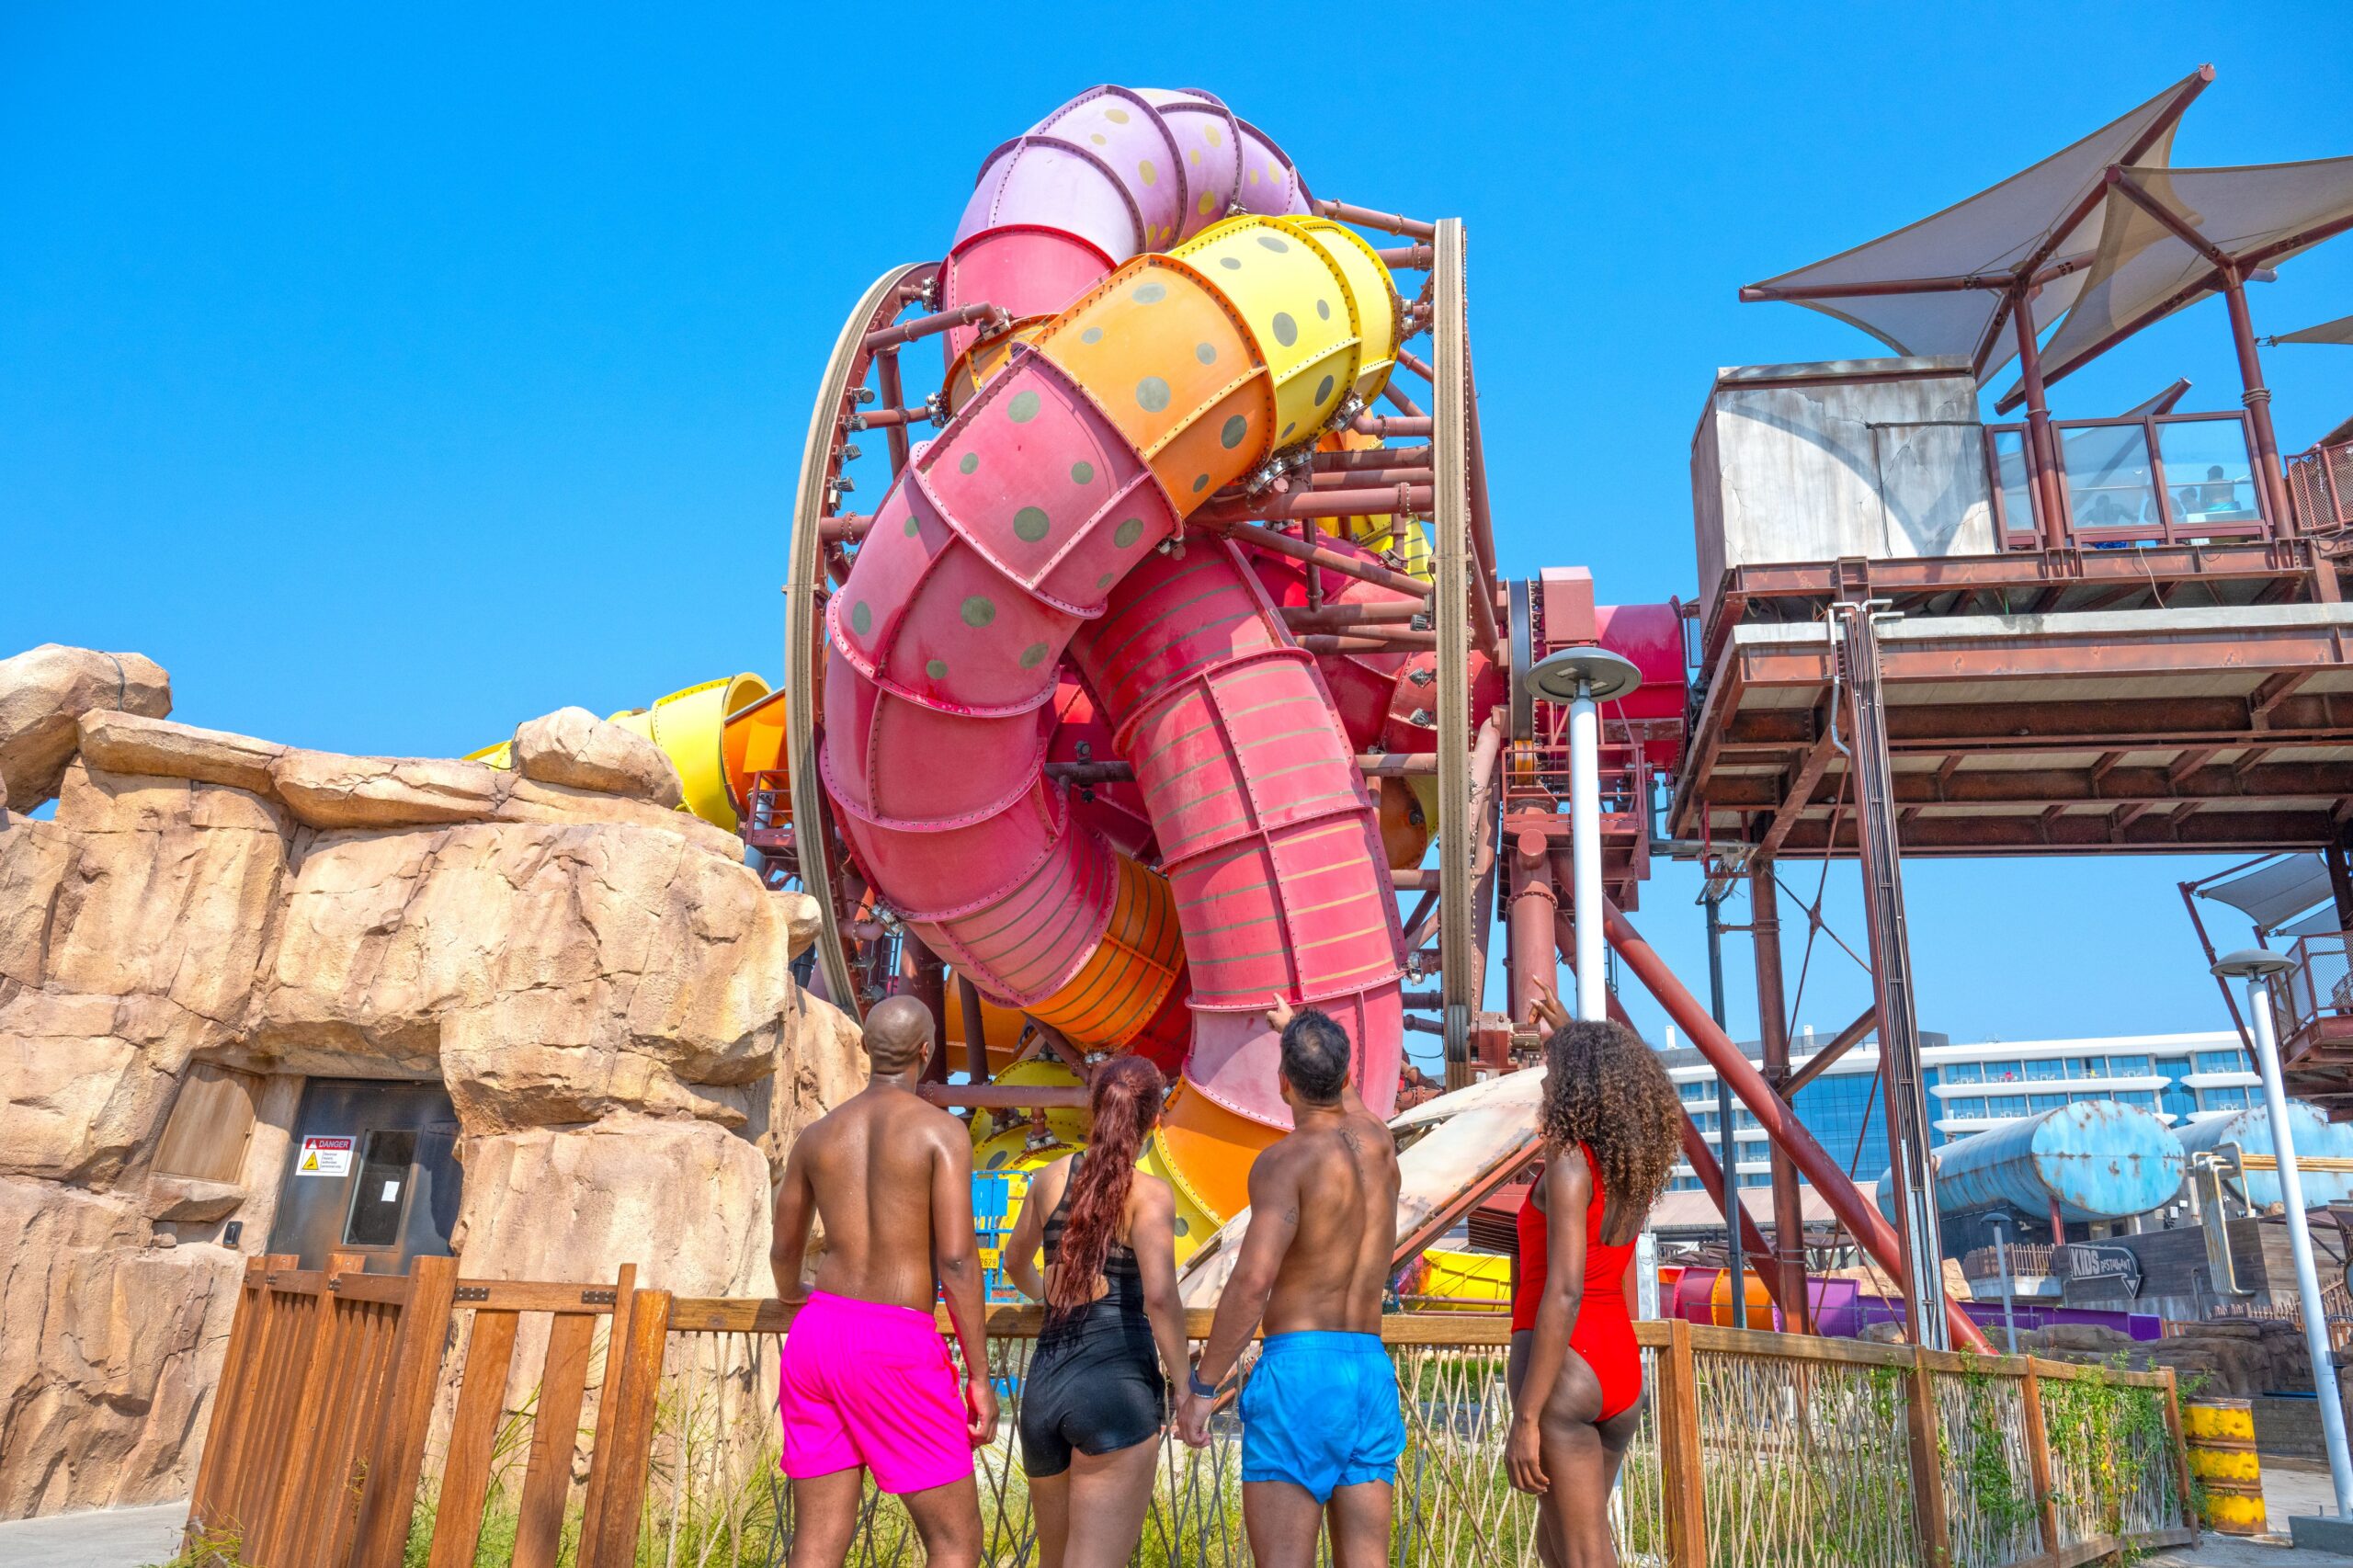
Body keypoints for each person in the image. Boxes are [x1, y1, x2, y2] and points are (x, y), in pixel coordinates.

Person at [767, 995, 996, 1568]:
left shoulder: (818, 1136)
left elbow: (783, 1249)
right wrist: (979, 1376)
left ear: (867, 1050)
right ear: (927, 1051)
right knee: (954, 1543)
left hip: (817, 1334)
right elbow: (959, 1263)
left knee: (817, 1542)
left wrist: (794, 1294)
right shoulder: (942, 1134)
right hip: (894, 1342)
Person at [1176, 1001, 1403, 1568]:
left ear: (1283, 1084)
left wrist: (1204, 1389)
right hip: (1368, 1368)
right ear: (1347, 1075)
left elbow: (1253, 1282)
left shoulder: (1285, 1162)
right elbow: (1345, 1096)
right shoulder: (1380, 1147)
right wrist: (1300, 1026)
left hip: (1301, 1369)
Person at [1506, 980, 1684, 1568]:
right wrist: (1568, 1034)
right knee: (1556, 1550)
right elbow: (1609, 1064)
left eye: (1556, 1070)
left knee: (1583, 1557)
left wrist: (1526, 1418)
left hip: (1565, 1367)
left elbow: (1563, 1290)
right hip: (1617, 1365)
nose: (1545, 1079)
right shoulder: (1628, 1168)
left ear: (1577, 1085)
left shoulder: (1568, 1160)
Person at [1003, 1054, 1192, 1568]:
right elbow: (1159, 1297)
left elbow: (1013, 1261)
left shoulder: (1048, 1179)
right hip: (1115, 1387)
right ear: (1155, 1119)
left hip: (1044, 1385)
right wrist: (1188, 1389)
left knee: (1054, 1561)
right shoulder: (1150, 1195)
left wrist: (1051, 1293)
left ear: (1094, 1108)